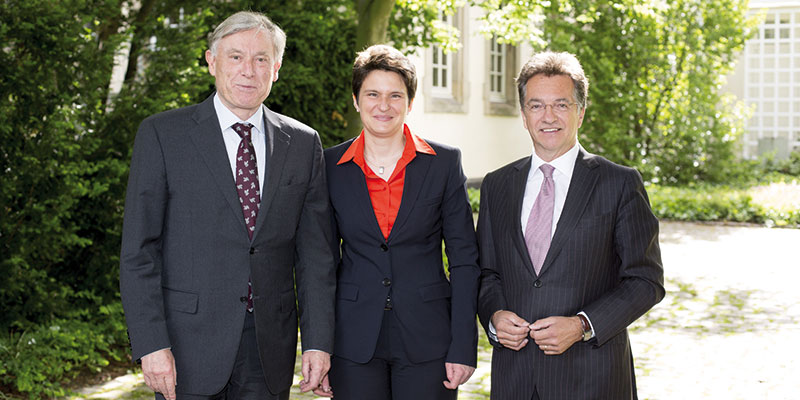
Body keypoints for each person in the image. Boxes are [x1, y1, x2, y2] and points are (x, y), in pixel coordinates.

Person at [119, 11, 336, 400]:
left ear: (277, 68)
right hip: (186, 346)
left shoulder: (303, 143)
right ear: (211, 61)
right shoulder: (162, 135)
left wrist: (318, 342)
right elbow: (139, 251)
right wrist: (151, 343)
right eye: (235, 56)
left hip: (270, 347)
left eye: (261, 59)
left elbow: (316, 255)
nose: (248, 71)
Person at [477, 51, 665, 399]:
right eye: (536, 105)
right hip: (515, 379)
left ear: (581, 111)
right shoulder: (497, 185)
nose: (548, 116)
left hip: (592, 378)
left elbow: (645, 280)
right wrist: (494, 315)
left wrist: (583, 325)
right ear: (523, 115)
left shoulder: (619, 183)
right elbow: (488, 273)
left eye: (561, 104)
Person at [324, 45, 480, 399]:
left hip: (429, 339)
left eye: (395, 95)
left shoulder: (443, 163)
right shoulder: (329, 166)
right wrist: (320, 347)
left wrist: (463, 345)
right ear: (356, 99)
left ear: (410, 102)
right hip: (352, 340)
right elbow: (321, 263)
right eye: (373, 94)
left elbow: (465, 260)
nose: (384, 105)